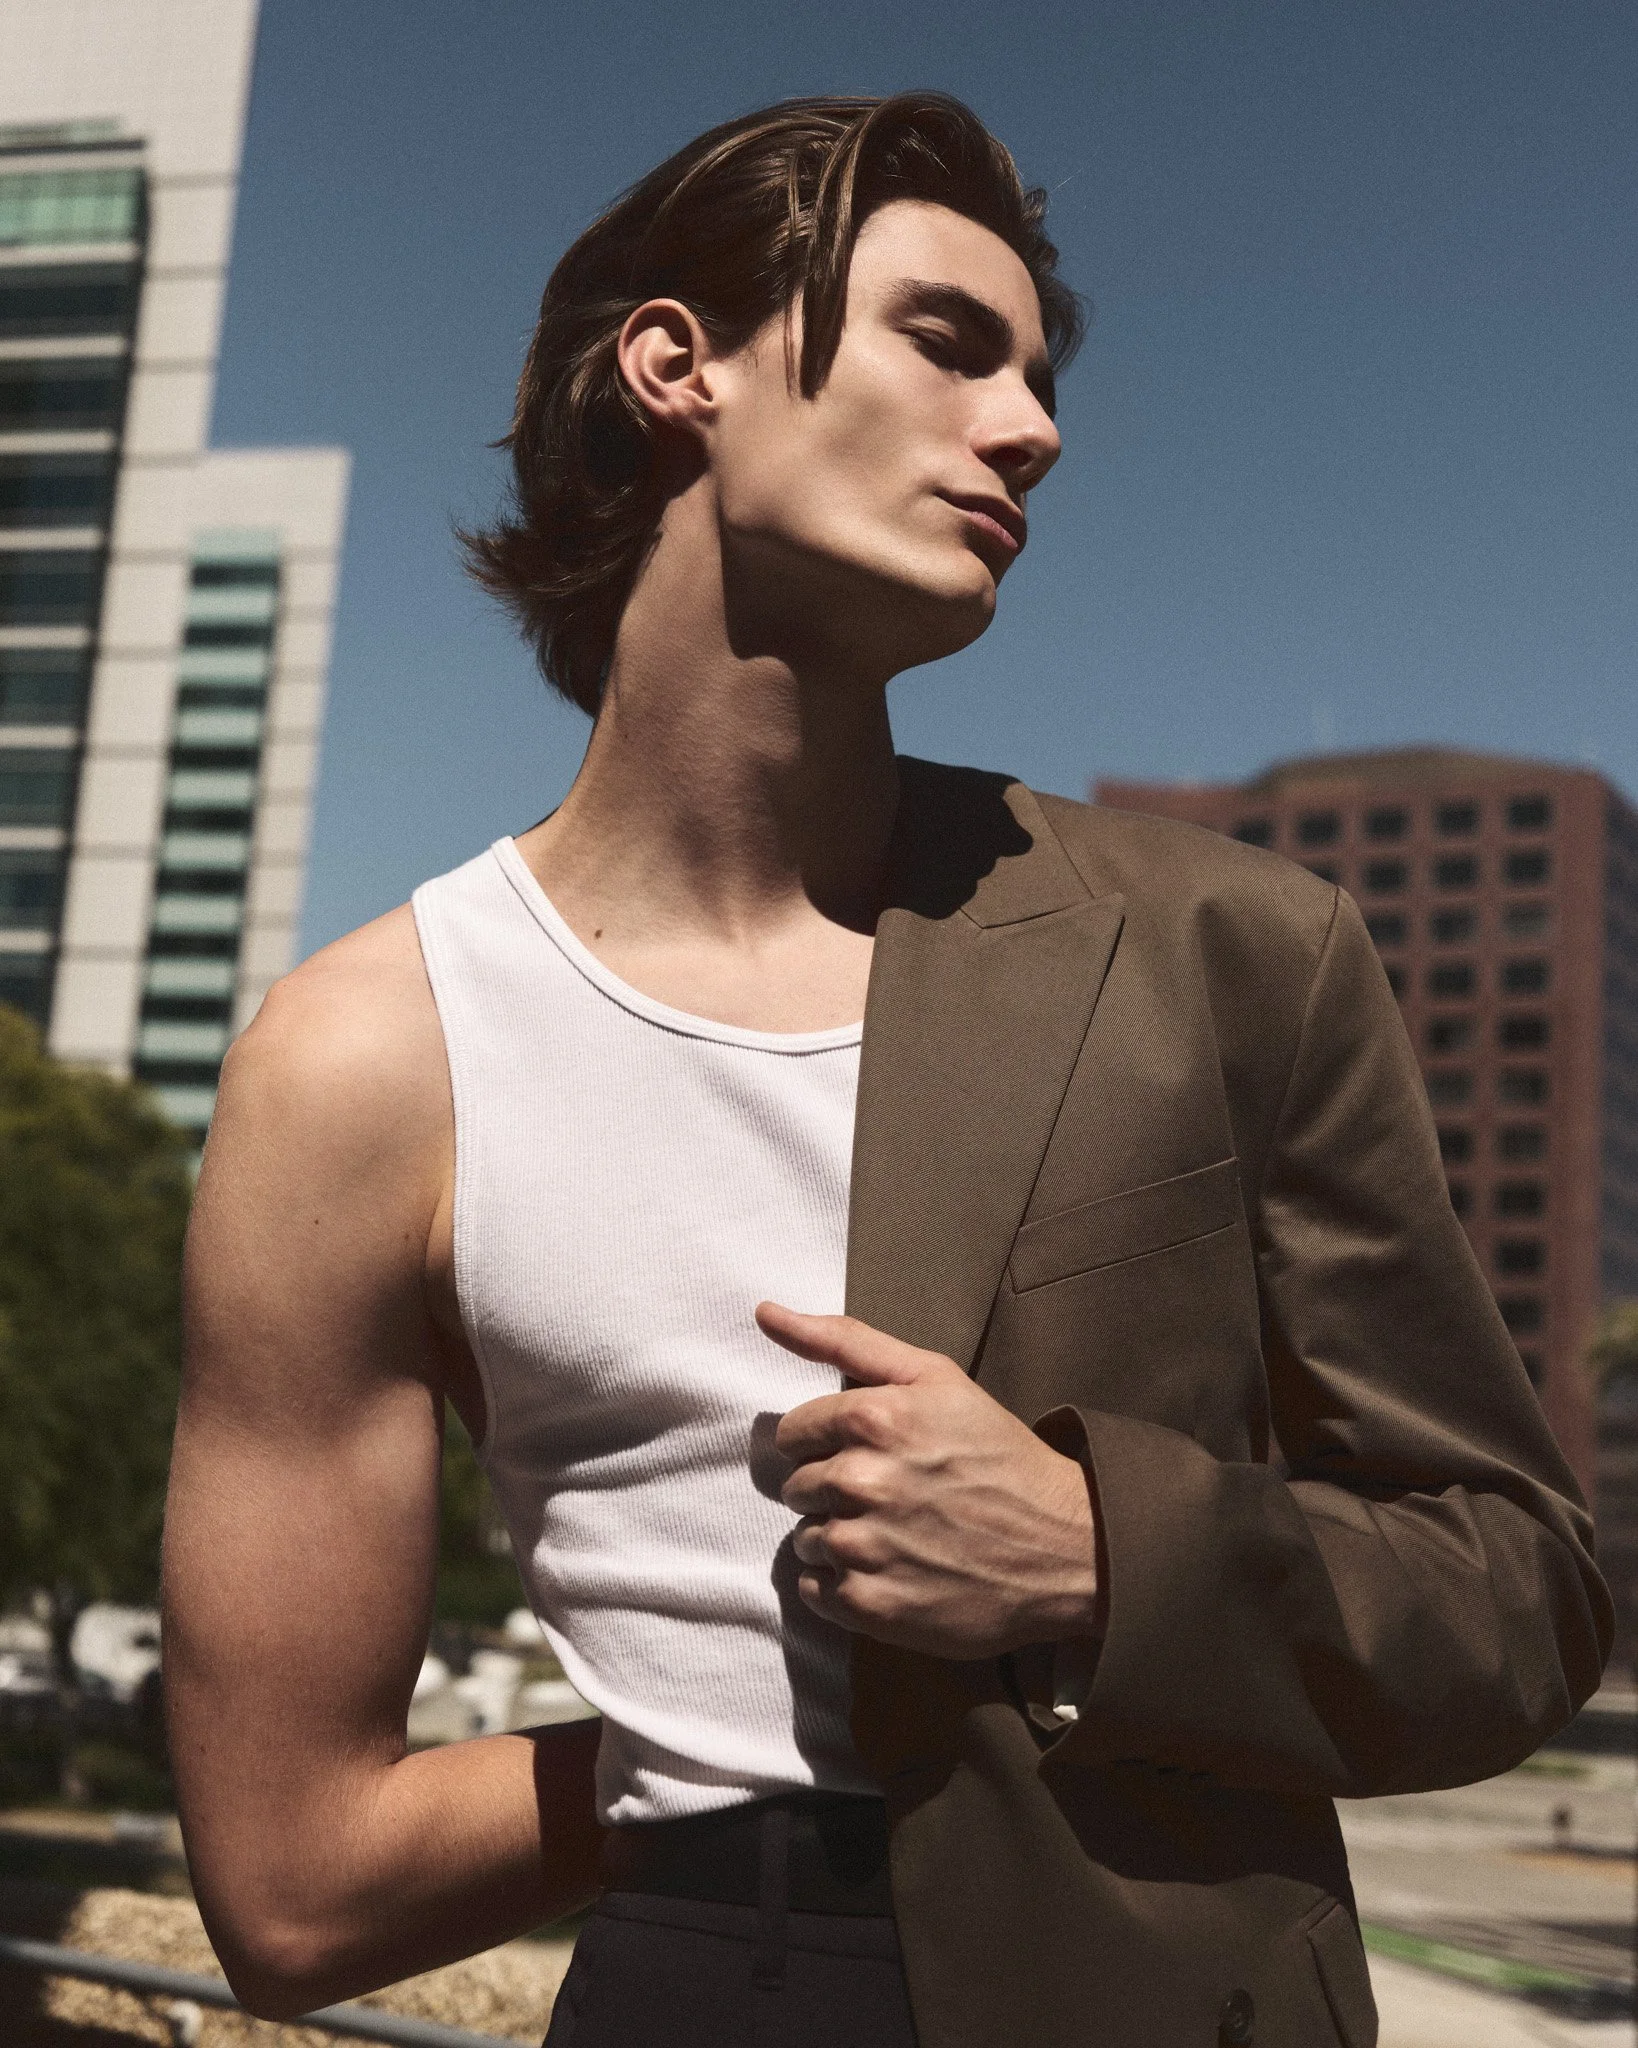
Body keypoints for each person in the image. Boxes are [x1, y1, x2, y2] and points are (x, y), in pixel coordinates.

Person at [163, 94, 1610, 2048]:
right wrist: (702, 1754)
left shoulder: (1225, 949)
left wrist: (1103, 1556)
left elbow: (1523, 1590)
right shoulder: (359, 1064)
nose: (1036, 427)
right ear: (678, 367)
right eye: (952, 341)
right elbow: (294, 1882)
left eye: (1036, 369)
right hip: (696, 1975)